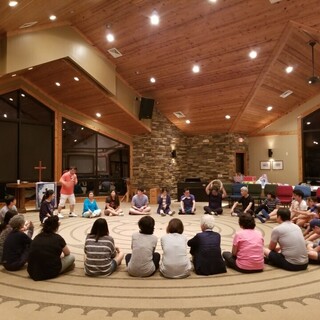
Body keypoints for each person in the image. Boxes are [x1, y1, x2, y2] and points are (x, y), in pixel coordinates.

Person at [27, 216, 75, 281]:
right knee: (71, 257)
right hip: (50, 271)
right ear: (56, 227)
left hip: (32, 271)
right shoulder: (58, 238)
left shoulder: (37, 237)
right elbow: (67, 253)